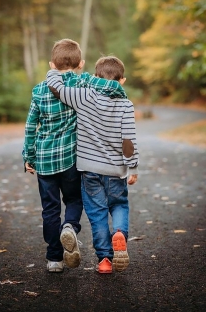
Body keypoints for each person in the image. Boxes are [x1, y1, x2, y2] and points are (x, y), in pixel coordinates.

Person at [22, 39, 125, 273]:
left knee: (49, 209)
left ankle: (54, 259)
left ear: (51, 64)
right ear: (81, 63)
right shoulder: (84, 82)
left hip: (45, 161)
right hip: (71, 159)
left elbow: (31, 127)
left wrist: (28, 156)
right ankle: (69, 226)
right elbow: (115, 88)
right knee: (74, 200)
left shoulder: (39, 90)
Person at [46, 55, 139, 274]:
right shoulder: (126, 104)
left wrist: (53, 71)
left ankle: (105, 260)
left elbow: (58, 90)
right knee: (119, 205)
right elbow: (129, 142)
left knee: (96, 214)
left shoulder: (84, 96)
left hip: (89, 170)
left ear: (96, 76)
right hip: (116, 171)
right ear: (122, 80)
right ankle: (119, 233)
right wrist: (132, 168)